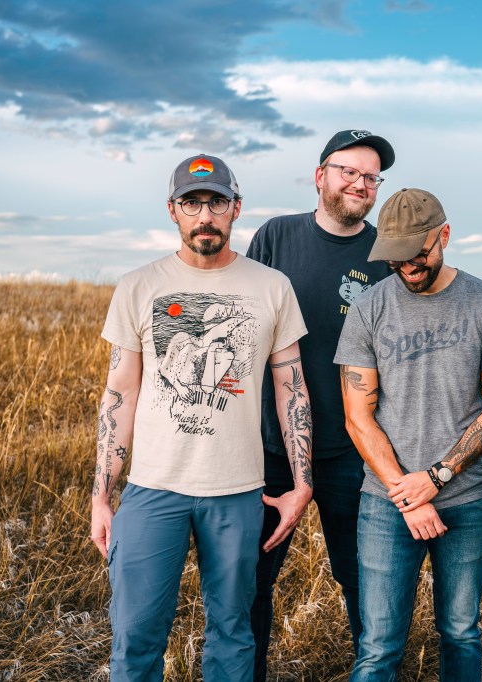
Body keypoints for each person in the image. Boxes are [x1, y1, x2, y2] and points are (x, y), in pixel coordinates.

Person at [90, 154, 311, 681]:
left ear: (236, 208)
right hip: (152, 489)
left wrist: (303, 483)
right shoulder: (138, 286)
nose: (204, 215)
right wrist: (101, 494)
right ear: (173, 210)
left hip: (237, 492)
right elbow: (118, 393)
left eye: (216, 202)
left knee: (233, 631)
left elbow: (292, 389)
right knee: (137, 634)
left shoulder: (272, 287)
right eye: (192, 202)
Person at [335, 188, 482, 681]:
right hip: (386, 501)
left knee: (460, 631)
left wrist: (434, 480)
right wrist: (409, 494)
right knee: (378, 647)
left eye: (418, 252)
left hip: (469, 500)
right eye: (395, 255)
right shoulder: (370, 309)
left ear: (445, 236)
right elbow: (358, 416)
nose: (407, 266)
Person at [246, 129, 395, 679]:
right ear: (321, 176)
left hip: (354, 448)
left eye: (370, 176)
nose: (360, 183)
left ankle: (374, 670)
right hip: (268, 448)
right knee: (252, 581)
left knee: (364, 581)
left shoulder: (384, 255)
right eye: (348, 171)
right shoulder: (276, 238)